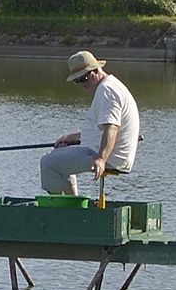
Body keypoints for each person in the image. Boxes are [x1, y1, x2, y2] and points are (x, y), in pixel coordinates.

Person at [45, 49, 142, 201]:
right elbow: (101, 129)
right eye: (77, 81)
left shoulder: (106, 90)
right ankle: (72, 205)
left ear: (96, 70)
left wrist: (101, 159)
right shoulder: (108, 86)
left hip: (110, 157)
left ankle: (58, 210)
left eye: (84, 78)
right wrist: (69, 138)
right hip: (99, 151)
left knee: (48, 163)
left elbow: (112, 128)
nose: (81, 84)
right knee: (57, 156)